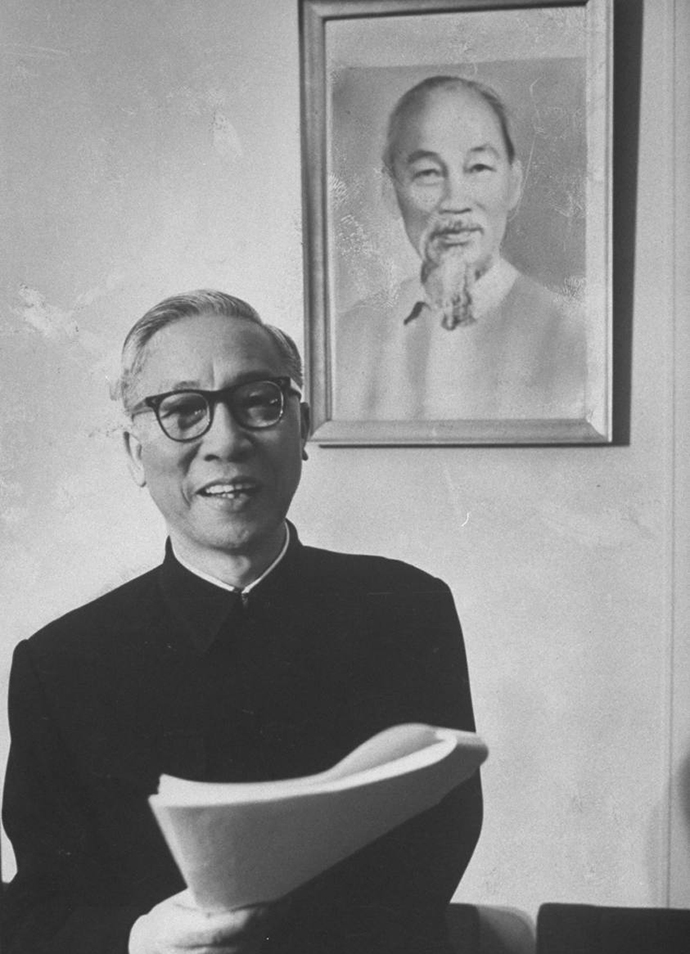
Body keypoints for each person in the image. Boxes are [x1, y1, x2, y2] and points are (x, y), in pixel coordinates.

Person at [2, 289, 482, 954]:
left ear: (301, 427)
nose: (225, 442)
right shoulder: (60, 664)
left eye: (258, 401)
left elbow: (434, 853)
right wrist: (140, 939)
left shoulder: (405, 609)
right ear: (135, 454)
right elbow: (38, 910)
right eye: (182, 411)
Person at [336, 75, 586, 421]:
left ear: (514, 184)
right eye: (428, 173)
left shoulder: (572, 334)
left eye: (479, 167)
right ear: (390, 192)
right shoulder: (350, 335)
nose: (455, 201)